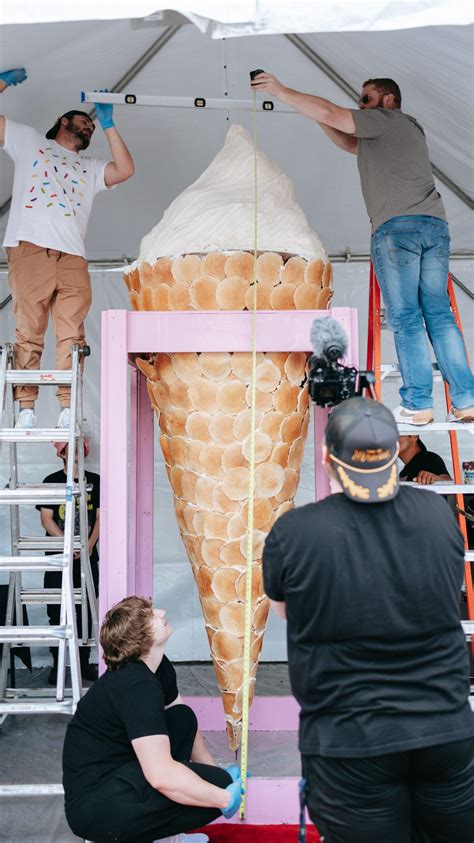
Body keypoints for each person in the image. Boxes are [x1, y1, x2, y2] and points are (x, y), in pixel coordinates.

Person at [262, 396, 474, 843]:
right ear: (396, 453)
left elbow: (284, 610)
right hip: (444, 729)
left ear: (325, 458)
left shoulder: (295, 532)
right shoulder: (438, 514)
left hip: (350, 739)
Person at [250, 72, 474, 426]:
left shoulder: (385, 120)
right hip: (433, 226)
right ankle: (466, 399)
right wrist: (311, 112)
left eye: (366, 99)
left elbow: (330, 113)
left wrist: (282, 91)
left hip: (398, 229)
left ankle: (418, 403)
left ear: (387, 100)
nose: (361, 106)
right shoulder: (404, 130)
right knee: (439, 315)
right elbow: (345, 139)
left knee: (406, 317)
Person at [0, 67, 134, 429]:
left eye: (92, 126)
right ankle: (26, 408)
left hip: (73, 257)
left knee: (72, 333)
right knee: (29, 330)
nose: (88, 127)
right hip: (30, 250)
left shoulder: (90, 167)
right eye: (84, 121)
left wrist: (109, 123)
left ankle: (66, 405)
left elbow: (124, 170)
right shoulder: (31, 143)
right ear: (62, 121)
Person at [62, 596, 243, 843]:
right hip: (95, 806)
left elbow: (186, 727)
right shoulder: (136, 685)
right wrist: (224, 797)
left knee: (183, 718)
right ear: (140, 639)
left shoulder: (159, 668)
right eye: (150, 616)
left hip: (123, 774)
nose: (161, 612)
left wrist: (216, 772)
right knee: (215, 788)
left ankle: (167, 836)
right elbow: (159, 774)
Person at [37, 440, 100, 684]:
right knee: (57, 611)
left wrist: (88, 544)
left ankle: (83, 665)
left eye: (79, 448)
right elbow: (46, 519)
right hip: (58, 558)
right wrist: (68, 543)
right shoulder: (51, 480)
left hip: (86, 557)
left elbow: (100, 517)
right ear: (60, 453)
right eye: (69, 449)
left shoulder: (95, 479)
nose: (74, 453)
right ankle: (58, 665)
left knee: (85, 609)